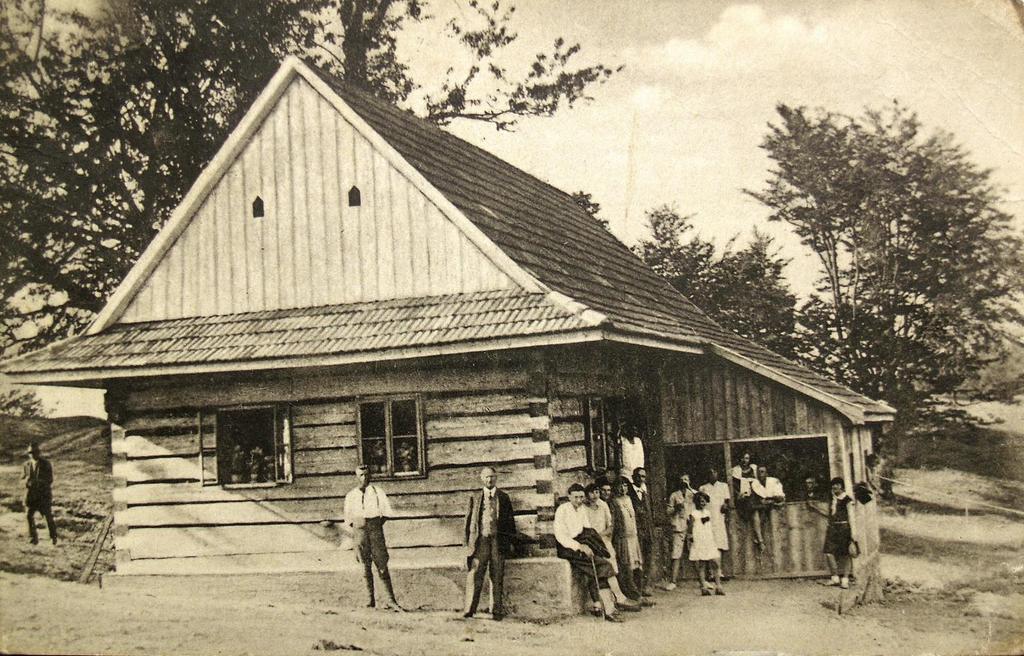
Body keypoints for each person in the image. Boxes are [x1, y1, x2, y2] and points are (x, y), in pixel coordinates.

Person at [553, 483, 622, 622]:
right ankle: (614, 603)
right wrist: (579, 546)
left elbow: (587, 529)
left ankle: (606, 608)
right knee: (604, 566)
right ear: (569, 496)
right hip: (567, 547)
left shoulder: (581, 510)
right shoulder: (562, 510)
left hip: (581, 544)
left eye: (581, 497)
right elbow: (560, 536)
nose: (579, 500)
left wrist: (593, 545)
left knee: (600, 565)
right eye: (576, 497)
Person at [343, 465, 403, 610]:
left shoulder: (378, 492)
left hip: (375, 531)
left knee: (381, 564)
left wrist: (374, 525)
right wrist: (360, 527)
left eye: (366, 474)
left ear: (370, 476)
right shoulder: (351, 495)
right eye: (361, 475)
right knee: (365, 565)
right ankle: (369, 600)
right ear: (356, 477)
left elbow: (386, 513)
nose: (364, 477)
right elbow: (348, 518)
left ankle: (390, 600)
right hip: (360, 532)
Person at [462, 467, 516, 620]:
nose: (489, 480)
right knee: (475, 573)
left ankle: (496, 611)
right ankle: (469, 609)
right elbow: (467, 522)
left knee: (497, 574)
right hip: (480, 542)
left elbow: (510, 522)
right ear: (481, 478)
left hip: (498, 541)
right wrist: (467, 544)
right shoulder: (475, 497)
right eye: (486, 477)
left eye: (492, 477)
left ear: (496, 477)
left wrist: (511, 542)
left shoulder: (503, 497)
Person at [585, 483, 640, 611]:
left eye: (597, 492)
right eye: (592, 492)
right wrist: (593, 539)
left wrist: (600, 536)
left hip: (603, 540)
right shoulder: (583, 508)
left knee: (612, 568)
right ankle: (606, 603)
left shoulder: (603, 505)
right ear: (587, 495)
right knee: (598, 572)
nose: (595, 495)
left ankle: (619, 598)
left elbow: (610, 527)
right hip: (591, 543)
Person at [603, 478, 646, 604]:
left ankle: (639, 593)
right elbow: (613, 523)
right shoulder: (613, 502)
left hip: (634, 538)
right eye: (620, 486)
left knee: (637, 567)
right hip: (623, 539)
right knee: (625, 567)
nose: (623, 489)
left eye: (625, 486)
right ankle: (632, 595)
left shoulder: (629, 499)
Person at [811, 477, 855, 589]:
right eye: (833, 486)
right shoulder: (832, 499)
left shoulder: (847, 500)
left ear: (841, 486)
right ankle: (835, 578)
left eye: (836, 485)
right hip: (832, 528)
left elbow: (851, 517)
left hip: (844, 527)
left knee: (846, 554)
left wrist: (853, 533)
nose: (834, 487)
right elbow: (829, 514)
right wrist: (815, 508)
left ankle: (845, 580)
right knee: (829, 553)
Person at [626, 466, 655, 596]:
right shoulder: (629, 493)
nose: (640, 479)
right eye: (638, 476)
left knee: (647, 559)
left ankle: (645, 586)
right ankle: (637, 588)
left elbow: (649, 514)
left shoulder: (645, 493)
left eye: (643, 476)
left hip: (647, 532)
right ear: (633, 477)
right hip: (636, 532)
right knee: (637, 560)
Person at [688, 491, 724, 596]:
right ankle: (703, 587)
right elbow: (690, 529)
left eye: (704, 501)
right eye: (700, 501)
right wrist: (691, 541)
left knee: (716, 562)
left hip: (709, 540)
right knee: (701, 565)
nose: (702, 503)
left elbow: (710, 527)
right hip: (699, 540)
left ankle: (718, 586)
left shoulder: (708, 513)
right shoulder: (693, 514)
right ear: (696, 502)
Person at [664, 473, 696, 590]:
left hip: (691, 526)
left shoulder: (692, 494)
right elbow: (668, 511)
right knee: (676, 554)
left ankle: (703, 580)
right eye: (682, 479)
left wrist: (690, 488)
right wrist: (675, 508)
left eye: (686, 479)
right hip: (678, 527)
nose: (684, 481)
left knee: (696, 552)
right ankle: (673, 581)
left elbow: (702, 498)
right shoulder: (674, 495)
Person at [22, 443, 57, 545]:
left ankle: (53, 537)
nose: (32, 455)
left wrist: (38, 482)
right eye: (30, 453)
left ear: (39, 453)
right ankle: (33, 538)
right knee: (28, 516)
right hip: (31, 497)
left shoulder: (46, 464)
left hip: (43, 496)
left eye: (34, 452)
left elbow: (50, 479)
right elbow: (23, 478)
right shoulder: (26, 465)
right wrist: (26, 482)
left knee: (47, 516)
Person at [731, 453, 763, 548]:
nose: (745, 460)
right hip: (743, 498)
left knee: (760, 509)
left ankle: (757, 535)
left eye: (747, 458)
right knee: (754, 511)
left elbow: (758, 482)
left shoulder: (753, 468)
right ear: (740, 459)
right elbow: (735, 486)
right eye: (743, 458)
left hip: (754, 494)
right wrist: (739, 494)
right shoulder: (736, 470)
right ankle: (759, 538)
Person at [699, 467, 731, 558]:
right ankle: (711, 570)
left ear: (717, 473)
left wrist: (725, 505)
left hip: (719, 518)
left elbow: (726, 501)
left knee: (720, 543)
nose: (713, 474)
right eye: (710, 473)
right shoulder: (703, 488)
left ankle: (719, 570)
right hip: (708, 518)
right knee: (708, 543)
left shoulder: (723, 486)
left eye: (715, 472)